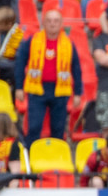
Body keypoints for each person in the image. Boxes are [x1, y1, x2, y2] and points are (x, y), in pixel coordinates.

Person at [16, 7, 76, 141]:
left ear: (61, 24)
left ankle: (56, 158)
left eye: (56, 21)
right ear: (43, 23)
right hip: (37, 89)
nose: (52, 24)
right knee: (34, 127)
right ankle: (30, 156)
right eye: (49, 20)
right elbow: (20, 63)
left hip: (60, 91)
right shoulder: (32, 41)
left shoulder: (69, 43)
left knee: (58, 128)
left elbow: (76, 68)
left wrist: (78, 93)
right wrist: (19, 87)